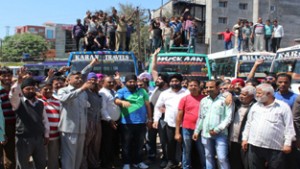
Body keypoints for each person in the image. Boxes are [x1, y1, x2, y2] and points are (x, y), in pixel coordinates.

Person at [242, 83, 296, 169]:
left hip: (274, 147)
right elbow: (249, 123)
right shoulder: (255, 106)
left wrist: (287, 144)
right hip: (254, 145)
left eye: (259, 93)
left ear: (269, 94)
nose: (257, 95)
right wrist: (245, 139)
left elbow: (289, 126)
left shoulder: (283, 107)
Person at [9, 74, 50, 169]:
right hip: (23, 139)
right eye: (28, 89)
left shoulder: (40, 103)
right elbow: (13, 95)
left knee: (41, 164)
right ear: (22, 90)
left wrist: (47, 134)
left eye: (32, 88)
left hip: (39, 138)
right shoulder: (18, 102)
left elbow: (44, 119)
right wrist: (18, 83)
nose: (31, 91)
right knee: (22, 165)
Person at [56, 70, 94, 169]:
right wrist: (81, 89)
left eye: (81, 78)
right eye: (77, 78)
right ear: (68, 80)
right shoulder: (63, 90)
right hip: (69, 130)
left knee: (78, 157)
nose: (80, 80)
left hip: (81, 129)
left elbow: (86, 107)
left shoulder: (83, 93)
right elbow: (64, 99)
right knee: (69, 157)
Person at [193, 80, 233, 169]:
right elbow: (201, 117)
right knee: (208, 156)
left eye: (211, 87)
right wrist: (196, 131)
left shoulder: (225, 100)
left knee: (222, 158)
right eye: (207, 87)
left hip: (220, 134)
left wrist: (217, 129)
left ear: (218, 88)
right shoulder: (204, 100)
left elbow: (228, 118)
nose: (208, 89)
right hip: (206, 134)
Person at [114, 74, 152, 169]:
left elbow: (148, 105)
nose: (132, 83)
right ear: (125, 82)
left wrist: (150, 119)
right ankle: (126, 163)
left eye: (133, 81)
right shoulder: (121, 91)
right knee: (126, 144)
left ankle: (138, 161)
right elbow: (116, 100)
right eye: (129, 82)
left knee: (139, 144)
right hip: (126, 123)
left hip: (141, 123)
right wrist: (122, 102)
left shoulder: (142, 91)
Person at [153, 74, 187, 169]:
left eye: (176, 81)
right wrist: (156, 119)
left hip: (184, 124)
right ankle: (171, 162)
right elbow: (158, 106)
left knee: (184, 145)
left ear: (180, 82)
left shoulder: (186, 92)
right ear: (169, 83)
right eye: (172, 81)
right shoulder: (165, 93)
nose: (174, 83)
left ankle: (184, 163)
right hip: (170, 123)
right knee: (170, 144)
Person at [175, 80, 206, 169]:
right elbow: (179, 116)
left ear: (199, 87)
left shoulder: (204, 99)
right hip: (187, 129)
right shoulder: (184, 99)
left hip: (201, 129)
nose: (193, 87)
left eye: (195, 85)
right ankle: (186, 167)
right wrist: (177, 132)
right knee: (186, 150)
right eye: (191, 85)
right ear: (188, 87)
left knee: (202, 150)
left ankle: (205, 166)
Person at [229, 86, 256, 169]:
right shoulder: (237, 103)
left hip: (245, 141)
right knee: (234, 162)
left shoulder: (256, 107)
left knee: (245, 163)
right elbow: (225, 95)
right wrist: (229, 94)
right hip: (232, 139)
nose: (241, 96)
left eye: (244, 95)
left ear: (251, 96)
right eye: (240, 94)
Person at [80, 72, 102, 169]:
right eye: (90, 79)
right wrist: (91, 64)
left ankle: (93, 164)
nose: (93, 81)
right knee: (85, 146)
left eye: (94, 79)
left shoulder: (97, 92)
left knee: (95, 146)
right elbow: (82, 74)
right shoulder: (84, 92)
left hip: (97, 122)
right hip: (88, 122)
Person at [99, 76, 121, 169]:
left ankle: (113, 161)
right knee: (107, 144)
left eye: (113, 82)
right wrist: (110, 120)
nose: (112, 84)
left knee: (115, 143)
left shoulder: (113, 92)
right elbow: (102, 109)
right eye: (109, 82)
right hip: (107, 123)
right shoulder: (102, 93)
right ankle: (106, 164)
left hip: (116, 121)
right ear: (102, 83)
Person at [40, 82, 61, 169]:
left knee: (53, 158)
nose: (48, 91)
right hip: (41, 136)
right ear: (40, 90)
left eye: (50, 89)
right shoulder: (38, 101)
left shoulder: (58, 101)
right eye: (45, 89)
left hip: (55, 135)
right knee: (41, 159)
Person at [0, 66, 16, 169]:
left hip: (12, 126)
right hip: (1, 127)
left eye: (9, 75)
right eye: (4, 76)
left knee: (10, 155)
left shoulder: (14, 89)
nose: (7, 78)